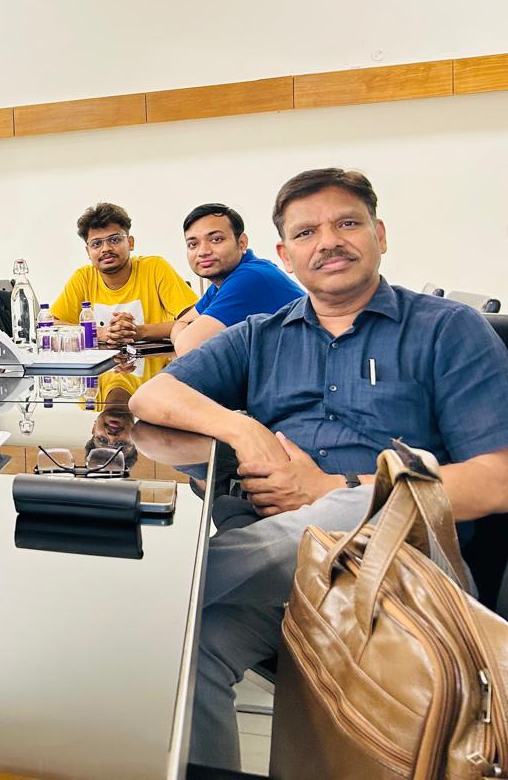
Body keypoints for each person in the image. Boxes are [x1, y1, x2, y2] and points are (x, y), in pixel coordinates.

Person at [129, 168, 508, 770]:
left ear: (380, 234)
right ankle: (173, 602)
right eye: (306, 232)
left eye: (347, 223)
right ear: (285, 255)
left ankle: (155, 591)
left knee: (361, 500)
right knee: (187, 651)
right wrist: (243, 429)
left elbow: (499, 478)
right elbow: (151, 397)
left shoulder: (446, 329)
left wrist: (331, 487)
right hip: (281, 572)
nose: (328, 241)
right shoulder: (262, 336)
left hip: (401, 570)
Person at [51, 202, 197, 344]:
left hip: (156, 361)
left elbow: (196, 320)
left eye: (114, 240)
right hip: (99, 361)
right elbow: (50, 325)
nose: (106, 249)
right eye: (96, 244)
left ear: (130, 243)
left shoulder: (155, 268)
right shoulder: (83, 278)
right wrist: (98, 333)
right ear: (88, 252)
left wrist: (139, 331)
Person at [171, 203, 303, 354]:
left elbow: (187, 348)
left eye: (216, 239)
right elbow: (181, 323)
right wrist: (184, 332)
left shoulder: (250, 278)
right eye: (193, 244)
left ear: (242, 243)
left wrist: (184, 332)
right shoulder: (220, 285)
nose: (203, 251)